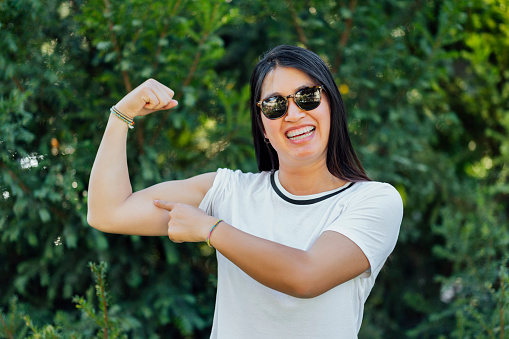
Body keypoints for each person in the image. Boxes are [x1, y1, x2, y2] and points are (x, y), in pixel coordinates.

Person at [87, 45, 403, 338]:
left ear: (331, 104)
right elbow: (108, 212)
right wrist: (120, 115)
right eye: (275, 105)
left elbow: (306, 276)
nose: (293, 114)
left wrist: (211, 229)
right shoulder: (227, 191)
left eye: (307, 96)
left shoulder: (373, 201)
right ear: (263, 126)